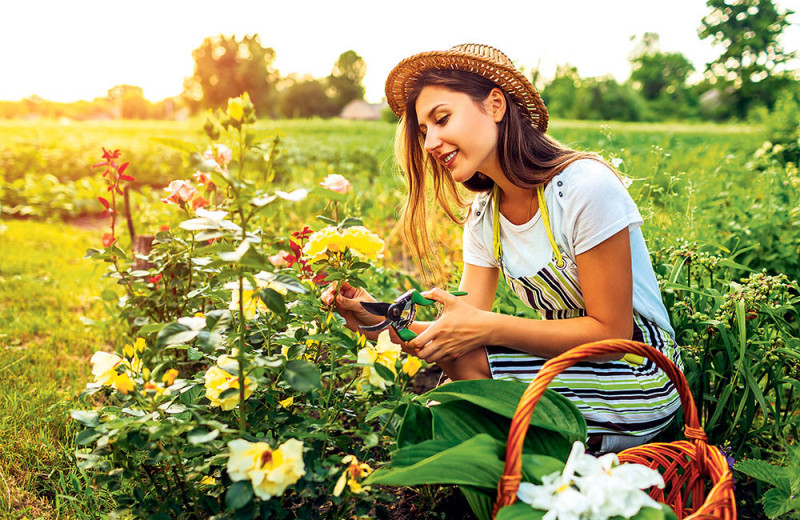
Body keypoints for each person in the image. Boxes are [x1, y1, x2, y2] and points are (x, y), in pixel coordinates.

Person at [323, 43, 682, 452]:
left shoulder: (584, 188)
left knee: (462, 397)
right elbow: (456, 334)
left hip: (639, 370)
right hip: (575, 366)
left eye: (442, 119)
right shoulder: (484, 216)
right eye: (424, 132)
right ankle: (547, 465)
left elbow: (611, 331)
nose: (430, 143)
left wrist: (489, 327)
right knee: (460, 361)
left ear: (495, 105)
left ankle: (550, 467)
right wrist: (379, 319)